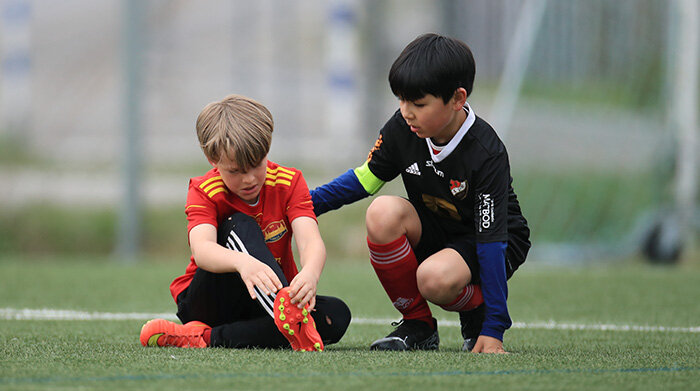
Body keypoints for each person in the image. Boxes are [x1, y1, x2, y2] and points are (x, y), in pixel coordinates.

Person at [310, 33, 530, 353]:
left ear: (457, 99)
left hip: (494, 239)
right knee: (381, 213)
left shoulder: (485, 152)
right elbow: (364, 180)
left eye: (418, 103)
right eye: (401, 100)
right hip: (439, 229)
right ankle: (419, 325)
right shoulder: (403, 127)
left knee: (433, 279)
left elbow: (490, 241)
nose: (406, 111)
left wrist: (494, 327)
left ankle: (476, 311)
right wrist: (302, 204)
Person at [139, 94, 351, 351]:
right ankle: (289, 318)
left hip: (263, 304)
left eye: (255, 165)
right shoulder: (204, 189)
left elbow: (310, 241)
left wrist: (310, 274)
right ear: (213, 160)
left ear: (267, 150)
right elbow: (202, 250)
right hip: (209, 301)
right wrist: (243, 263)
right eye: (235, 171)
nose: (249, 179)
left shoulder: (290, 181)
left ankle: (204, 338)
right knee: (239, 224)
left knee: (336, 316)